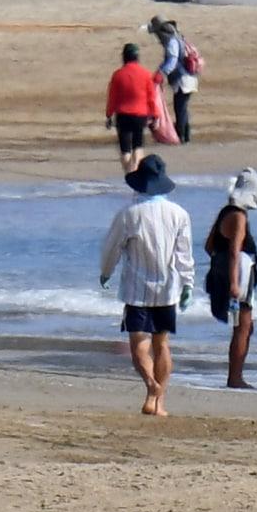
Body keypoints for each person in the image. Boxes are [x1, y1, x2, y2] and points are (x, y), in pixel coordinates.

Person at [99, 154, 194, 416]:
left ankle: (152, 387)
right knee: (162, 344)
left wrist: (106, 272)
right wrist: (188, 284)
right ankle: (159, 402)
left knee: (138, 344)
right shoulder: (179, 214)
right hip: (167, 289)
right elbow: (184, 254)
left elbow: (112, 248)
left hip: (136, 290)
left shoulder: (129, 214)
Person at [205, 168, 257, 389]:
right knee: (243, 327)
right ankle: (235, 377)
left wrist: (221, 267)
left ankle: (235, 376)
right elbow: (235, 250)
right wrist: (234, 282)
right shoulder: (239, 217)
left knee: (243, 326)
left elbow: (209, 245)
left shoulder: (226, 212)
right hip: (239, 278)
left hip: (228, 273)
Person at [105, 43, 160, 173]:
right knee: (138, 145)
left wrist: (108, 115)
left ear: (124, 57)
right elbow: (151, 98)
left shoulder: (118, 75)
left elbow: (112, 97)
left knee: (125, 148)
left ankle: (130, 174)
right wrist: (156, 115)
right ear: (137, 57)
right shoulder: (146, 74)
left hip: (123, 115)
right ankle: (135, 175)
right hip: (140, 115)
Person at [148, 15, 195, 144]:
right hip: (189, 78)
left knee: (180, 107)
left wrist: (161, 73)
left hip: (183, 79)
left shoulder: (171, 42)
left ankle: (182, 136)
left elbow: (172, 61)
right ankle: (186, 135)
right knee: (182, 107)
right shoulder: (179, 38)